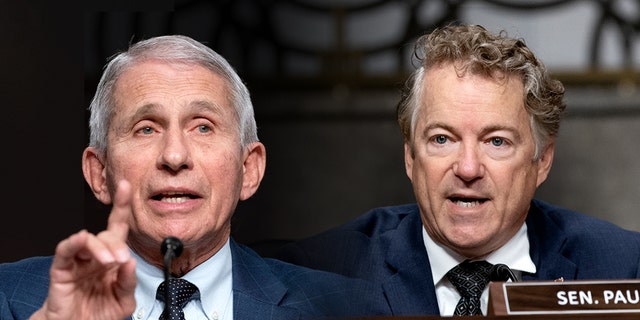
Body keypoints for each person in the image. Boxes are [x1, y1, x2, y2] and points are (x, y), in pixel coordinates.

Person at [0, 35, 388, 320]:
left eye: (202, 127)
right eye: (146, 129)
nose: (174, 156)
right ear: (99, 173)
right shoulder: (10, 297)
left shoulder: (349, 306)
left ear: (249, 169)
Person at [277, 24, 640, 316]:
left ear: (542, 160)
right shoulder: (320, 272)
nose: (468, 168)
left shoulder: (624, 267)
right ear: (410, 157)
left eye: (496, 142)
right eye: (441, 139)